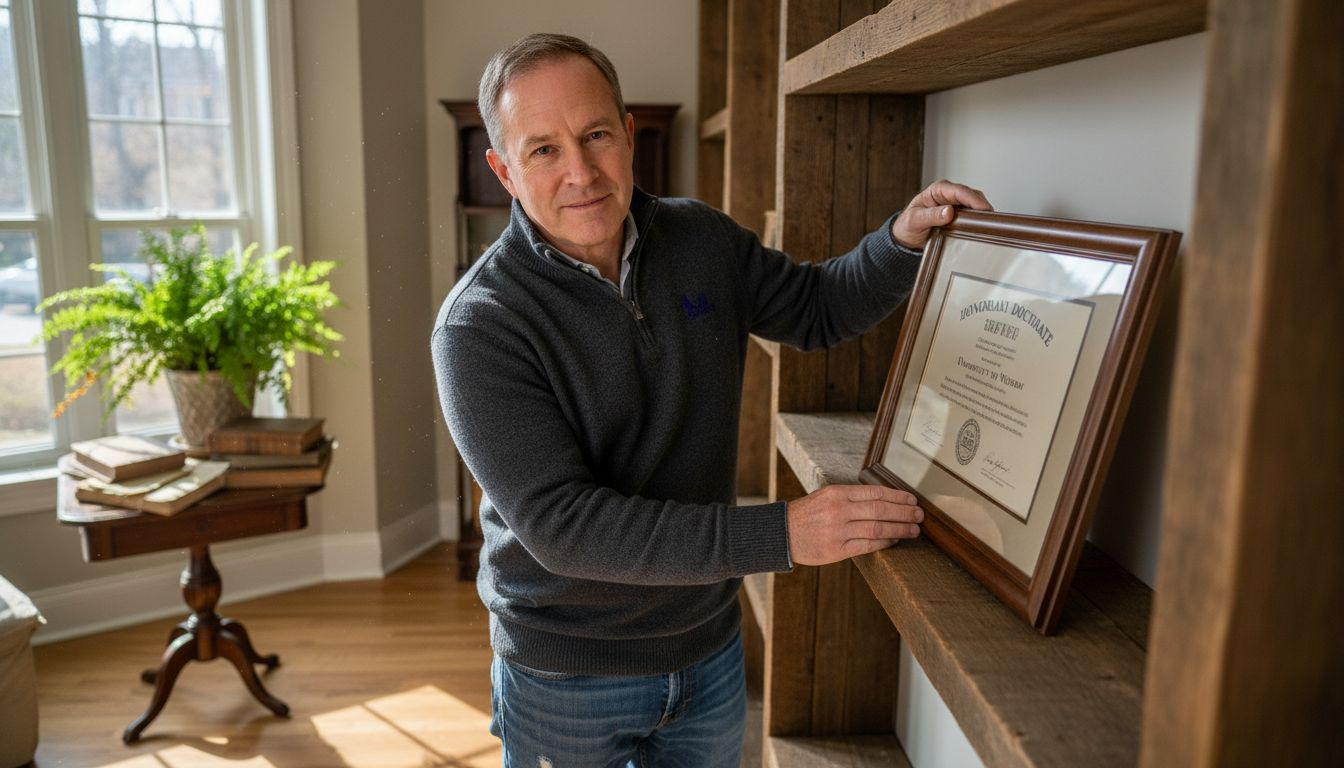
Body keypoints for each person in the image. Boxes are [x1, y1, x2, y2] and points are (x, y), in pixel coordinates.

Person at [431, 32, 992, 768]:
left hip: (708, 651)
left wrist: (903, 240)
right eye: (543, 150)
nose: (581, 172)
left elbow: (816, 309)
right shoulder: (478, 326)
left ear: (628, 134)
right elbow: (566, 528)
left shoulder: (701, 238)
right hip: (566, 673)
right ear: (504, 170)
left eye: (596, 135)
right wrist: (784, 534)